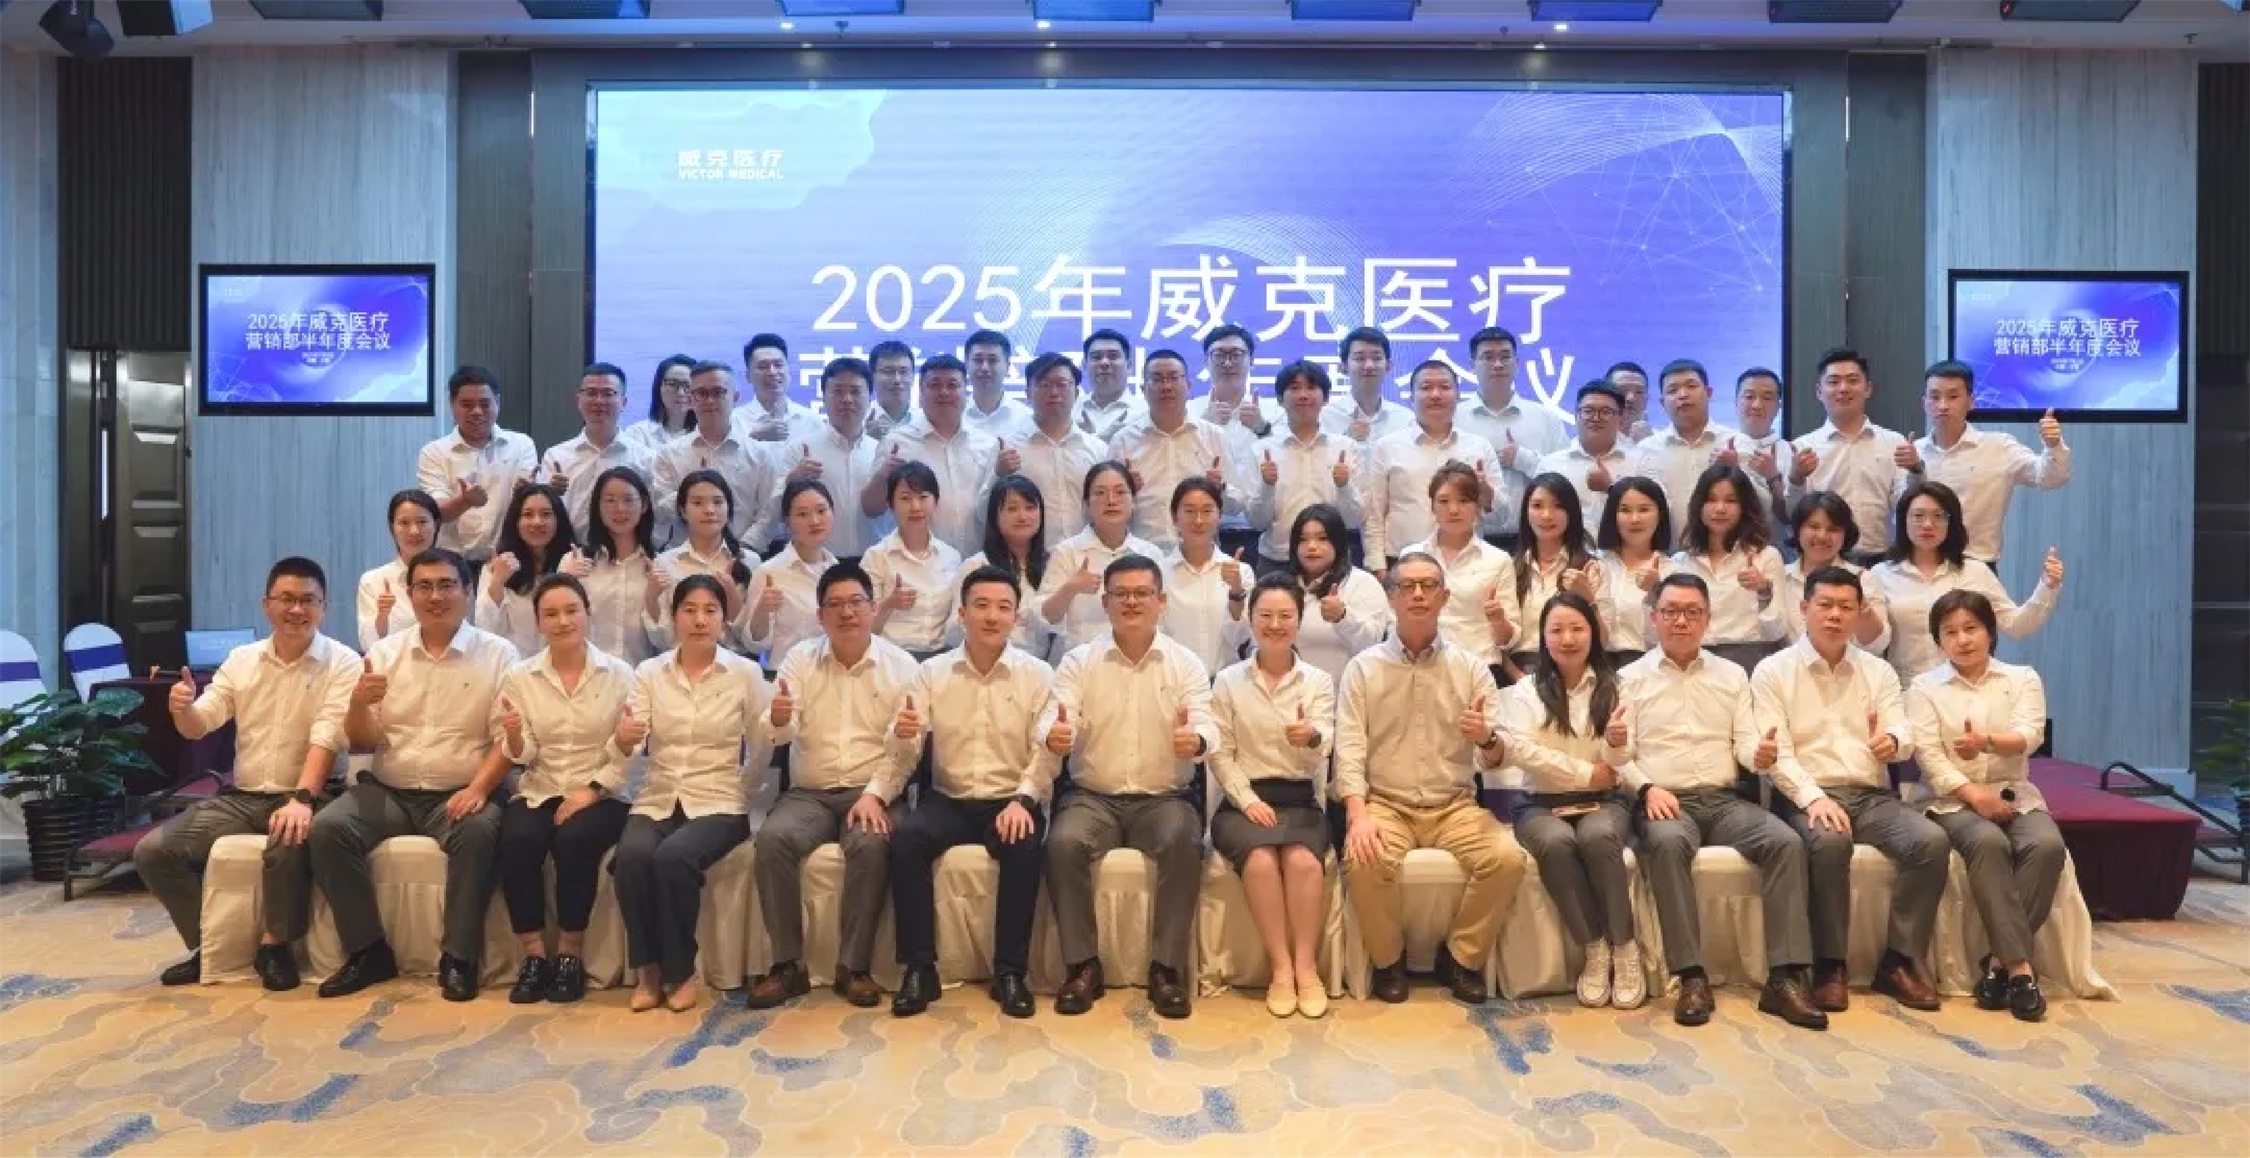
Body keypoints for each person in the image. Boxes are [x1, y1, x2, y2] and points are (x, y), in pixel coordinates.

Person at [1610, 573, 1825, 1029]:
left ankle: (1785, 978)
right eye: (1671, 611)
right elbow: (1618, 756)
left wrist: (1759, 756)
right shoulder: (1628, 679)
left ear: (1708, 619)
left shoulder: (1731, 675)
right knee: (1667, 843)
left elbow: (1744, 743)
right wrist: (1647, 789)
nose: (1681, 621)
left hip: (1725, 800)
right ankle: (1691, 976)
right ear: (1654, 618)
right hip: (1664, 799)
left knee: (1785, 842)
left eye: (1692, 612)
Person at [137, 557, 358, 991]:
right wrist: (183, 709)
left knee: (289, 839)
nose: (296, 609)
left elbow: (328, 735)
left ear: (324, 607)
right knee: (153, 851)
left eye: (308, 600)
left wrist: (302, 800)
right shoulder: (242, 660)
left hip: (315, 792)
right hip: (244, 795)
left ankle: (274, 947)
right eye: (286, 599)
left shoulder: (343, 662)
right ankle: (211, 949)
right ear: (266, 604)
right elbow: (201, 724)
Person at [320, 548, 518, 1001]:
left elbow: (506, 740)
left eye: (447, 585)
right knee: (329, 828)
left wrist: (479, 788)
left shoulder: (498, 655)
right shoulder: (384, 653)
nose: (435, 596)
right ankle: (367, 951)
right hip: (390, 789)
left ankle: (459, 957)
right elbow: (363, 741)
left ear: (467, 591)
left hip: (461, 790)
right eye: (424, 587)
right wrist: (357, 704)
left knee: (479, 831)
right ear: (409, 595)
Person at [1752, 566, 1946, 1014]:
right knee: (1830, 841)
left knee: (1930, 842)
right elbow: (1777, 753)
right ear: (1804, 608)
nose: (1835, 616)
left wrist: (1892, 741)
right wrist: (1814, 798)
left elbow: (1902, 729)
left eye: (1846, 607)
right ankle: (1830, 966)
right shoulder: (1774, 671)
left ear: (1860, 613)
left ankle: (1898, 961)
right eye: (1825, 605)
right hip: (1806, 793)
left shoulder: (1878, 671)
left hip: (1870, 794)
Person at [1335, 552, 1525, 1005]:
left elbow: (1495, 757)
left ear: (1444, 596)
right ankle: (1388, 961)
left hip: (1454, 805)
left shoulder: (1471, 668)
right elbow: (1349, 749)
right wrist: (1358, 815)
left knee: (1507, 859)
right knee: (1362, 860)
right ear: (1391, 597)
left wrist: (1485, 739)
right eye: (1407, 586)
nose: (1418, 595)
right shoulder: (1363, 668)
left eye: (1428, 586)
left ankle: (1460, 957)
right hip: (1387, 802)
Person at [1038, 554, 1218, 1018]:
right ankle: (1082, 967)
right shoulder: (1080, 660)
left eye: (1142, 593)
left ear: (1161, 601)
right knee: (1062, 843)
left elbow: (1206, 723)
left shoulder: (1185, 663)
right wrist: (1054, 734)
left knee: (1183, 840)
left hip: (1164, 798)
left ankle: (1166, 969)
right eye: (1121, 594)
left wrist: (1196, 739)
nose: (1132, 602)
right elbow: (1055, 715)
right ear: (1105, 602)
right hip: (1092, 797)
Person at [885, 566, 1059, 1019]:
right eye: (981, 605)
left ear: (1016, 618)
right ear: (961, 614)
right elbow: (906, 744)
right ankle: (919, 969)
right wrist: (901, 732)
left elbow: (1046, 752)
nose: (991, 616)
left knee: (1024, 843)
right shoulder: (931, 672)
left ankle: (1010, 972)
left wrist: (1023, 800)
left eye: (1003, 607)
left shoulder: (1038, 675)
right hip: (949, 797)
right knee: (907, 841)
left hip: (1010, 797)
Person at [746, 562, 920, 1010]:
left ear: (873, 608)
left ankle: (853, 967)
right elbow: (778, 731)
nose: (847, 613)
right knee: (772, 840)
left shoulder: (901, 666)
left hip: (873, 789)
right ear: (820, 615)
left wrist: (875, 795)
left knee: (871, 843)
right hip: (810, 792)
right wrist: (778, 719)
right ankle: (787, 966)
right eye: (835, 605)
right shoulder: (800, 659)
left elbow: (906, 751)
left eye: (856, 602)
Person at [613, 574, 771, 1013]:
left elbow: (764, 742)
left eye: (710, 611)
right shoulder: (650, 673)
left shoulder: (745, 673)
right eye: (689, 610)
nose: (700, 620)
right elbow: (631, 741)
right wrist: (624, 739)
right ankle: (648, 971)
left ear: (724, 619)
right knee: (631, 858)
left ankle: (680, 971)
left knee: (673, 857)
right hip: (658, 795)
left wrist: (744, 788)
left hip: (719, 801)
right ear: (673, 617)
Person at [1907, 589, 2063, 1022]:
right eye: (1950, 632)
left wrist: (1986, 742)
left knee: (2048, 846)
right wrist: (1975, 795)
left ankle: (1997, 964)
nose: (1963, 639)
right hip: (1953, 799)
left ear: (1990, 632)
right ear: (1939, 641)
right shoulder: (1924, 687)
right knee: (1989, 843)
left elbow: (2031, 735)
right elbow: (1929, 757)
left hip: (2015, 793)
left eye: (1971, 628)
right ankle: (2021, 972)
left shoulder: (2021, 678)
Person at [492, 574, 634, 1004]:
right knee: (517, 837)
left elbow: (628, 751)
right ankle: (534, 956)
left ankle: (570, 953)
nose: (563, 621)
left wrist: (591, 791)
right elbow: (523, 753)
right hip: (541, 786)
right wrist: (513, 735)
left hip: (604, 793)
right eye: (551, 614)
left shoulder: (619, 674)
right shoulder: (521, 677)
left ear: (588, 613)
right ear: (538, 623)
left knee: (574, 839)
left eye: (572, 610)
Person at [1501, 591, 1643, 1010]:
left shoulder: (1617, 686)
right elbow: (1523, 752)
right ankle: (1594, 949)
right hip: (1539, 803)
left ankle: (1625, 948)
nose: (1567, 639)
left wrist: (1615, 744)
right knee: (1556, 842)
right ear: (1543, 637)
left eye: (1577, 629)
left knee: (1598, 838)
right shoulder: (1526, 691)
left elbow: (1620, 761)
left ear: (1593, 633)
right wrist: (1585, 771)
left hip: (1603, 799)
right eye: (1557, 630)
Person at [1208, 577, 1336, 1018]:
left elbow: (1325, 746)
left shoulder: (1318, 681)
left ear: (1299, 622)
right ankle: (1281, 969)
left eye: (1285, 616)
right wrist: (1247, 800)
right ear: (1250, 619)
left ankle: (1307, 968)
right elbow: (1220, 753)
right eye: (1265, 615)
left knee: (1303, 862)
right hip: (1242, 801)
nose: (1275, 624)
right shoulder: (1228, 682)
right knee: (1261, 861)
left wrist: (1311, 736)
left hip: (1298, 797)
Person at [1867, 481, 2062, 681]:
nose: (1928, 524)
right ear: (1903, 520)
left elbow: (2017, 626)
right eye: (1918, 516)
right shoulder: (1881, 574)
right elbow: (1872, 645)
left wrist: (2047, 586)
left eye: (1938, 516)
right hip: (1906, 687)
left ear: (1951, 523)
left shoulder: (1975, 571)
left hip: (1965, 686)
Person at [1913, 360, 2073, 564]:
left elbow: (2050, 478)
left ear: (1971, 401)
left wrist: (2053, 445)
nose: (1943, 406)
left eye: (1953, 397)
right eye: (1935, 397)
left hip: (1976, 565)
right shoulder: (1912, 452)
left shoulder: (1999, 447)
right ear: (1924, 403)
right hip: (1920, 566)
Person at [1363, 360, 1500, 574]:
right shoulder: (1386, 446)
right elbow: (1373, 513)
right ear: (1411, 397)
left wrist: (1485, 493)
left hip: (1467, 563)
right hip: (1402, 563)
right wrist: (1378, 566)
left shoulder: (1479, 446)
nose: (1435, 395)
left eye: (1444, 387)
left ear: (1458, 395)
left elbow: (1502, 515)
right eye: (1426, 388)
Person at [1782, 349, 1914, 565]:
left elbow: (1907, 505)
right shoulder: (1801, 447)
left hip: (1881, 561)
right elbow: (1793, 515)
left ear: (1868, 388)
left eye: (1852, 380)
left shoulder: (1893, 443)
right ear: (1819, 391)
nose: (1843, 388)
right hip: (1823, 559)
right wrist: (1796, 479)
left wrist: (1916, 470)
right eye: (1833, 382)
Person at [1398, 461, 1519, 681]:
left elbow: (1509, 640)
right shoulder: (1411, 556)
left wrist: (1499, 620)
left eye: (1463, 501)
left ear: (1477, 505)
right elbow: (1395, 619)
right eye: (1443, 501)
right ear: (1432, 506)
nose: (1453, 510)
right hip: (1420, 667)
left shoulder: (1498, 560)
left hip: (1480, 669)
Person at [867, 354, 999, 554]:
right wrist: (883, 475)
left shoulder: (987, 445)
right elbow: (871, 508)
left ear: (966, 392)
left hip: (978, 561)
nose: (944, 392)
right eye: (934, 385)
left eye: (952, 385)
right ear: (920, 393)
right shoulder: (897, 443)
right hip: (916, 564)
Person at [1105, 348, 1231, 554]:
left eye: (1173, 378)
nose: (1166, 386)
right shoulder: (1123, 441)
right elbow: (1106, 509)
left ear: (1188, 385)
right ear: (1143, 388)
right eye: (1157, 379)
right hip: (1140, 555)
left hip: (1199, 555)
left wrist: (1219, 489)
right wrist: (1125, 493)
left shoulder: (1214, 436)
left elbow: (1237, 504)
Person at [416, 365, 539, 573]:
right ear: (452, 405)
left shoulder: (521, 445)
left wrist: (527, 492)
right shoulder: (434, 452)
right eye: (467, 404)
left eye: (485, 404)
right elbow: (434, 513)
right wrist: (465, 501)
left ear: (497, 403)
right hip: (453, 565)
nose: (477, 412)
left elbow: (530, 502)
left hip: (509, 563)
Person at [1458, 327, 1570, 553]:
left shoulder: (1545, 418)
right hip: (1468, 538)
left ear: (1517, 363)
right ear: (1472, 365)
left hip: (1534, 539)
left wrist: (1522, 459)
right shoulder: (1455, 418)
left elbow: (1565, 478)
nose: (1498, 364)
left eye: (1505, 357)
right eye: (1488, 357)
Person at [651, 360, 779, 550]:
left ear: (735, 397)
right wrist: (693, 490)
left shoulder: (760, 454)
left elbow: (769, 513)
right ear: (691, 399)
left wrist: (743, 551)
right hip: (683, 559)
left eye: (718, 392)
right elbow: (660, 509)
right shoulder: (669, 454)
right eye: (701, 393)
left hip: (745, 557)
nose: (710, 400)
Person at [1670, 464, 1787, 670]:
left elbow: (1776, 632)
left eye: (1731, 501)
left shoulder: (1766, 556)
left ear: (1745, 507)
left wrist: (1763, 591)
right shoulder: (1681, 562)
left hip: (1750, 660)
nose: (1720, 508)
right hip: (1692, 660)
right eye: (1711, 499)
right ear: (1699, 505)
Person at [768, 356, 885, 558]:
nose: (847, 399)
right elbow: (773, 513)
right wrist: (792, 481)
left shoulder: (881, 452)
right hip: (815, 563)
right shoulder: (798, 450)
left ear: (870, 397)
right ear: (824, 397)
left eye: (855, 391)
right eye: (838, 391)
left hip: (873, 564)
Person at [1040, 461, 1162, 655]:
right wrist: (1070, 588)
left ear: (1134, 501)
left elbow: (1161, 617)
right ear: (1086, 504)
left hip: (1136, 660)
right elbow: (1046, 617)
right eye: (1100, 493)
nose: (1111, 501)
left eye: (1120, 492)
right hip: (1078, 662)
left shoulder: (1150, 554)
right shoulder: (1067, 552)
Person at [1248, 359, 1362, 566]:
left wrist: (1344, 486)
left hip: (1333, 561)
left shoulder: (1346, 448)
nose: (1303, 395)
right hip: (1278, 561)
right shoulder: (1261, 450)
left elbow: (1354, 520)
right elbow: (1257, 522)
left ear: (1326, 398)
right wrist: (1267, 486)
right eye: (1294, 388)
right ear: (1280, 399)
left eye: (1311, 387)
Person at [1507, 473, 1609, 678]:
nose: (1546, 515)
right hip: (1517, 675)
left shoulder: (1590, 567)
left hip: (1572, 672)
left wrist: (1588, 599)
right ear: (1526, 512)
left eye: (1558, 506)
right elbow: (1497, 641)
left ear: (1571, 512)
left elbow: (1604, 641)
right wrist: (1519, 680)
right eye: (1537, 506)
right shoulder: (1509, 567)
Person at [537, 362, 654, 539]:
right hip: (569, 550)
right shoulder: (556, 456)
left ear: (624, 402)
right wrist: (551, 494)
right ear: (578, 400)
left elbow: (653, 515)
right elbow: (543, 511)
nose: (599, 401)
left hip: (625, 550)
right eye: (591, 393)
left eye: (608, 393)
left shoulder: (645, 458)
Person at [648, 470, 758, 652]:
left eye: (718, 502)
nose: (709, 510)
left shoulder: (750, 561)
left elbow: (752, 639)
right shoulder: (665, 562)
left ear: (729, 508)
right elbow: (662, 640)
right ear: (683, 511)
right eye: (697, 503)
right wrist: (651, 598)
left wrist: (731, 594)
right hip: (681, 662)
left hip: (735, 664)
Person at [865, 461, 965, 658]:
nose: (916, 506)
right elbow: (862, 628)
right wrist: (889, 604)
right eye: (905, 498)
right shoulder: (876, 556)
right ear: (890, 505)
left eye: (923, 497)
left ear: (935, 502)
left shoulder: (952, 556)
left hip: (941, 658)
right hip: (891, 657)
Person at [1280, 504, 1389, 682]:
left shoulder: (1362, 583)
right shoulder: (1281, 586)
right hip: (1289, 689)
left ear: (1338, 543)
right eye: (1303, 539)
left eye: (1322, 538)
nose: (1311, 546)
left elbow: (1372, 644)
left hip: (1345, 690)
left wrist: (1343, 617)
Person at [1628, 359, 1738, 532]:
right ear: (1662, 402)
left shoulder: (1736, 442)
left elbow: (1763, 507)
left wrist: (1736, 471)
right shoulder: (1646, 450)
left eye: (1691, 386)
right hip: (1666, 549)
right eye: (1672, 390)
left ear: (1709, 393)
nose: (1683, 395)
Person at [1005, 351, 1103, 543]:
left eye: (1062, 384)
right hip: (1030, 556)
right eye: (1044, 384)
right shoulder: (1009, 450)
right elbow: (986, 511)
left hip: (1087, 554)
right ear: (1027, 393)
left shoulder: (1098, 449)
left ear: (1076, 392)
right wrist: (998, 474)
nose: (1054, 392)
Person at [475, 482, 583, 656]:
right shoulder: (495, 567)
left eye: (546, 514)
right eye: (528, 514)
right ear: (516, 522)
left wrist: (566, 581)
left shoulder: (576, 562)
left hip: (565, 662)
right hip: (515, 665)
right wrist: (497, 583)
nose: (537, 522)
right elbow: (485, 631)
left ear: (558, 520)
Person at [745, 479, 842, 670]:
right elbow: (754, 646)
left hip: (834, 674)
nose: (815, 521)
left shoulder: (838, 571)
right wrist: (762, 610)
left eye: (821, 511)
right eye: (802, 514)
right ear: (787, 522)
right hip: (786, 675)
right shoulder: (768, 572)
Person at [1160, 477, 1251, 677]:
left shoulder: (1241, 572)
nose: (1198, 520)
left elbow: (1240, 639)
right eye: (1189, 511)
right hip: (1175, 681)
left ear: (1219, 517)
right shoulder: (1159, 573)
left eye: (1207, 511)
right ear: (1175, 517)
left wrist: (1236, 592)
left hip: (1225, 683)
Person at [955, 475, 1053, 656]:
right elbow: (955, 628)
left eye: (1030, 507)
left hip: (1041, 665)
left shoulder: (1053, 563)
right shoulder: (976, 566)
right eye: (1012, 508)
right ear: (995, 516)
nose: (1022, 516)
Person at [1780, 492, 1890, 653]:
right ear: (1797, 530)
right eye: (1814, 526)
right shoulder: (1781, 577)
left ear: (1846, 535)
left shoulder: (1863, 578)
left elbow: (1878, 646)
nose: (1822, 536)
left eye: (1833, 529)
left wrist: (1862, 607)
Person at [1197, 324, 1270, 558]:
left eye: (1236, 354)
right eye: (1219, 355)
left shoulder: (1274, 411)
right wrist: (1205, 426)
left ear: (1251, 361)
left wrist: (1263, 429)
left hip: (1261, 530)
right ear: (1206, 361)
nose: (1228, 363)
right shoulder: (1191, 412)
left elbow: (1288, 461)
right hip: (1202, 528)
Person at [578, 467, 659, 664]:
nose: (620, 508)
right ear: (597, 507)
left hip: (641, 675)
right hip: (590, 674)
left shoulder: (659, 565)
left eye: (628, 499)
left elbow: (667, 641)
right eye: (610, 500)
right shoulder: (576, 561)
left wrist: (654, 596)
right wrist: (569, 579)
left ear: (644, 505)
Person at [1593, 477, 1673, 665]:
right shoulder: (1594, 564)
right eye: (1625, 510)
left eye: (1644, 510)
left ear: (1660, 514)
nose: (1634, 519)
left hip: (1651, 666)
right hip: (1597, 665)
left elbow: (1675, 636)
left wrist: (1655, 592)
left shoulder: (1673, 570)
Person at [1536, 381, 1635, 533]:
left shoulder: (1639, 461)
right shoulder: (1551, 465)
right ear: (1576, 415)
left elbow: (1657, 509)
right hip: (1568, 547)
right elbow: (1537, 515)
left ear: (1621, 419)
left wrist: (1611, 488)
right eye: (1588, 411)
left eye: (1606, 412)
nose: (1595, 418)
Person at [358, 490, 438, 652]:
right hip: (394, 664)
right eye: (404, 523)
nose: (414, 531)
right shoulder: (373, 580)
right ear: (392, 528)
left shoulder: (454, 576)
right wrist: (382, 616)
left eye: (422, 522)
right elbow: (369, 646)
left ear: (436, 525)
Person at [1321, 326, 1414, 446]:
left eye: (1377, 358)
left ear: (1388, 365)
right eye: (1359, 358)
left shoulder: (1406, 419)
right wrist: (1344, 442)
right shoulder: (1324, 417)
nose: (1369, 365)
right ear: (1343, 367)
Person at [1732, 368, 1794, 534]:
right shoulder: (1721, 447)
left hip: (1778, 546)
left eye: (1767, 398)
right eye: (1749, 396)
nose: (1757, 405)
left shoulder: (1792, 452)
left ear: (1779, 405)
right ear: (1736, 401)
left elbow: (1792, 516)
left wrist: (1773, 477)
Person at [735, 332, 817, 443]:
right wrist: (754, 437)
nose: (772, 372)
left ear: (788, 371)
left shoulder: (810, 420)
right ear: (748, 376)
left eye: (778, 365)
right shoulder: (735, 421)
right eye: (763, 366)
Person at [1077, 328, 1146, 442]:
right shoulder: (1070, 412)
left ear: (1129, 366)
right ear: (1084, 366)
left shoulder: (1145, 412)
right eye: (1096, 357)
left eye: (1113, 356)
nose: (1104, 362)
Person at [621, 353, 698, 453]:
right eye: (672, 384)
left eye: (687, 385)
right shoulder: (638, 434)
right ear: (658, 388)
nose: (680, 393)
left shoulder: (705, 434)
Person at [963, 328, 1033, 436]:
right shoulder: (953, 416)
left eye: (992, 360)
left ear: (1007, 366)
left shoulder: (1026, 417)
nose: (985, 368)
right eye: (978, 360)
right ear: (966, 365)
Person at [866, 340, 917, 441]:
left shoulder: (926, 421)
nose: (897, 380)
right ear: (872, 376)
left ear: (913, 376)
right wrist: (867, 441)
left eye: (903, 372)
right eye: (888, 372)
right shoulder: (859, 421)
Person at [1606, 361, 1655, 447]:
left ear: (1646, 399)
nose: (1631, 398)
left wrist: (1649, 444)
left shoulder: (1664, 442)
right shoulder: (1586, 444)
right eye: (1621, 390)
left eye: (1639, 392)